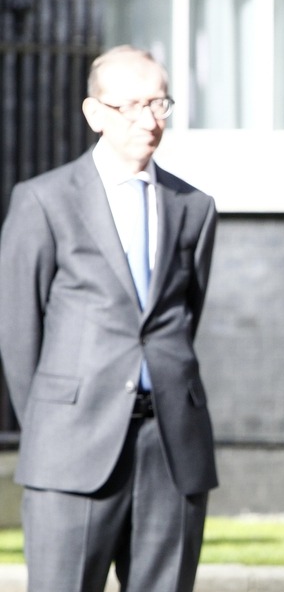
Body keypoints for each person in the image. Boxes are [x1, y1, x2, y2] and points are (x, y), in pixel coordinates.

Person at [0, 45, 217, 592]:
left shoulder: (194, 206)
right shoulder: (43, 200)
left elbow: (183, 317)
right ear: (94, 113)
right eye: (133, 105)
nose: (150, 119)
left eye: (160, 103)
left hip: (172, 447)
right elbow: (17, 329)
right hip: (71, 446)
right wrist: (53, 421)